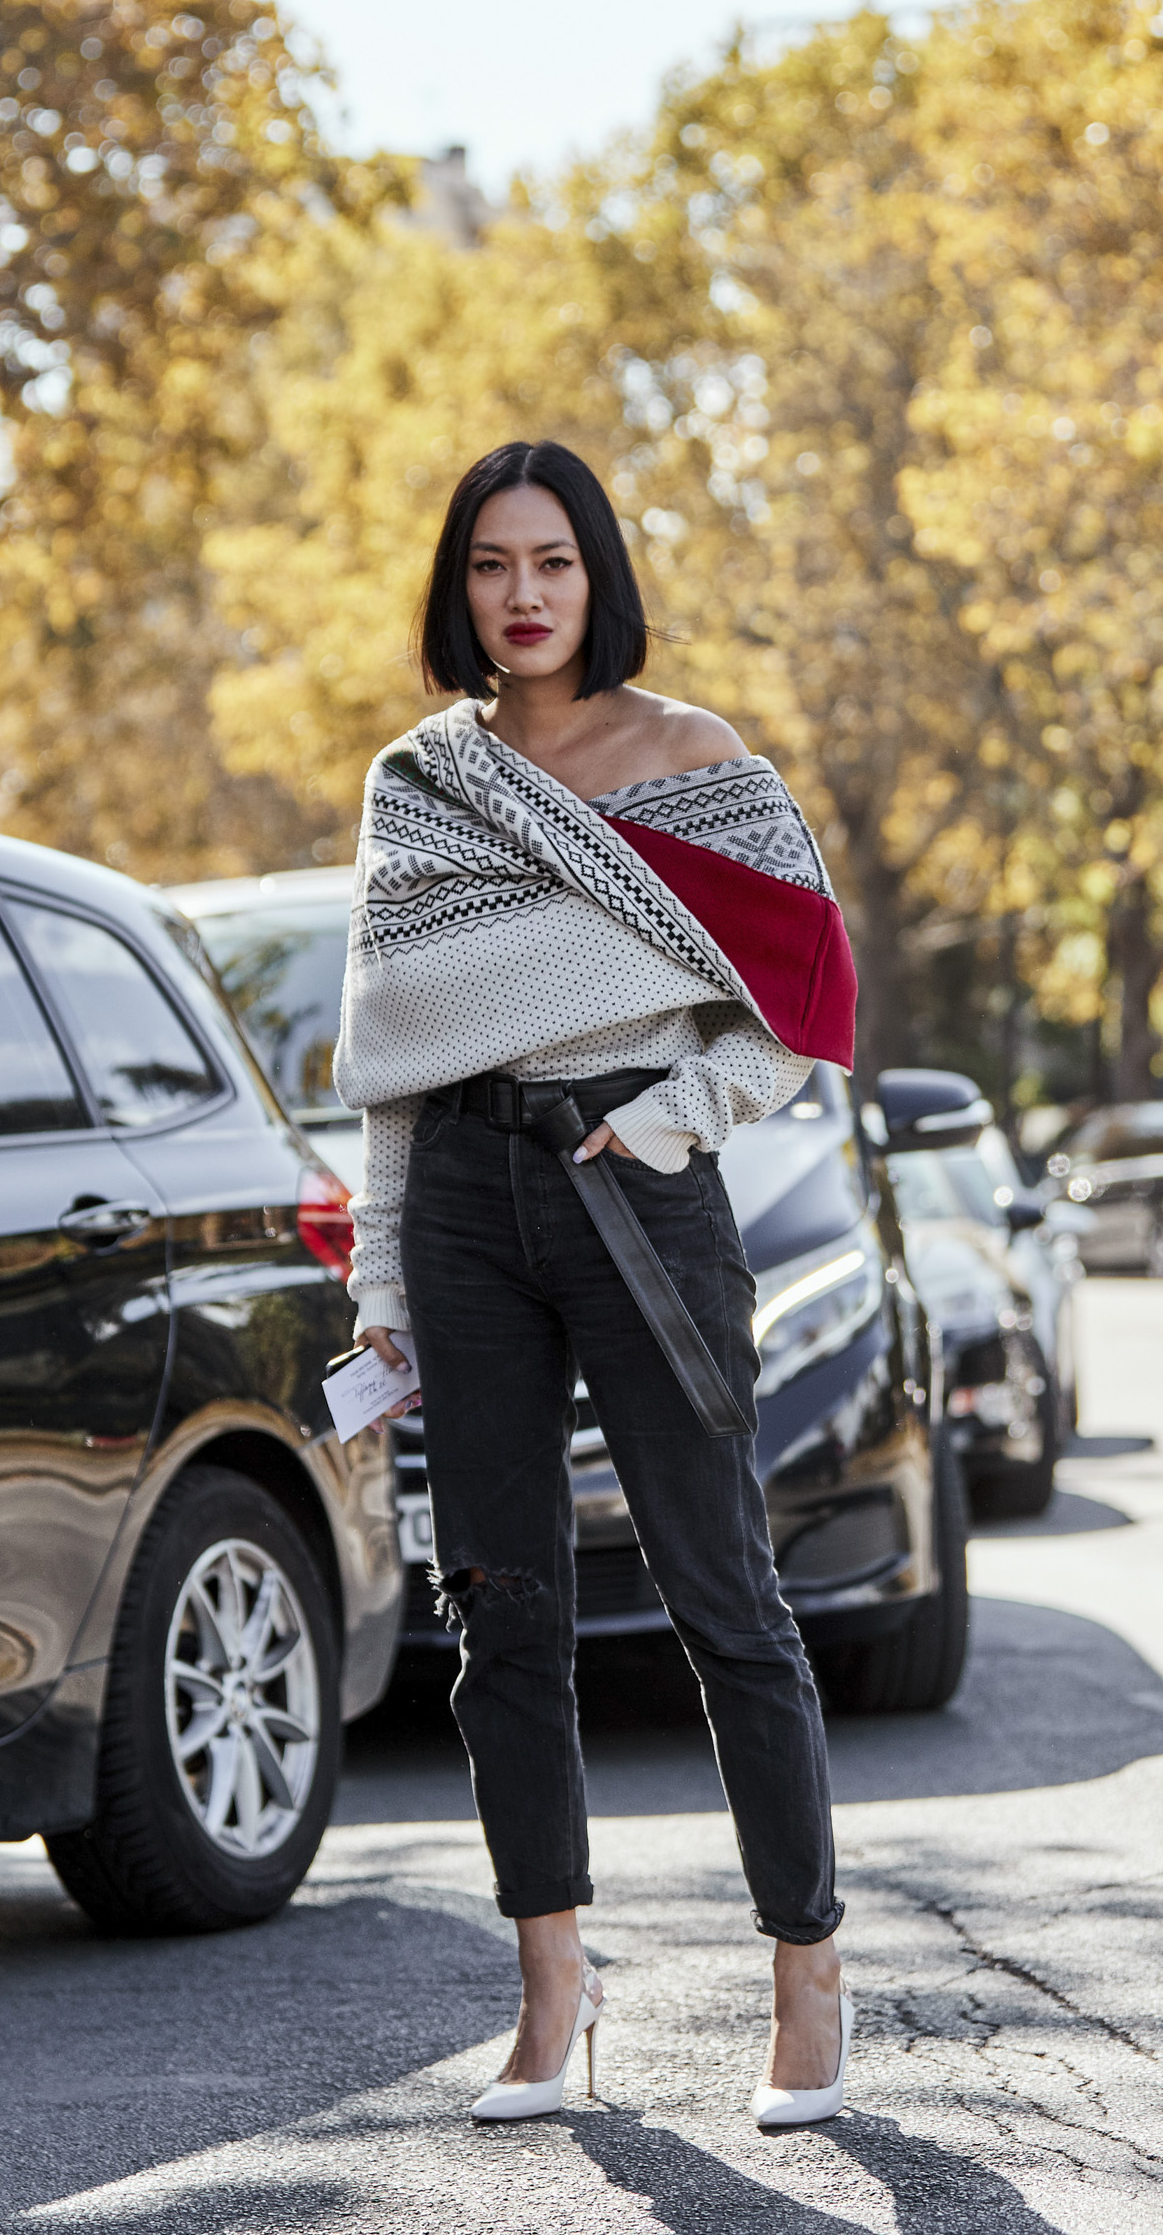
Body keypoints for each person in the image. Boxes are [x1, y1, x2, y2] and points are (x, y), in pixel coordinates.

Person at [335, 439, 859, 2128]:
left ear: (598, 573)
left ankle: (808, 1972)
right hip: (468, 1210)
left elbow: (797, 996)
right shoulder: (417, 782)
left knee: (722, 1594)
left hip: (641, 1194)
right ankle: (553, 1987)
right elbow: (399, 1060)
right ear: (458, 585)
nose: (525, 596)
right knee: (501, 1607)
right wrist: (384, 1290)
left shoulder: (696, 760)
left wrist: (665, 1120)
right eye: (492, 565)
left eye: (552, 562)